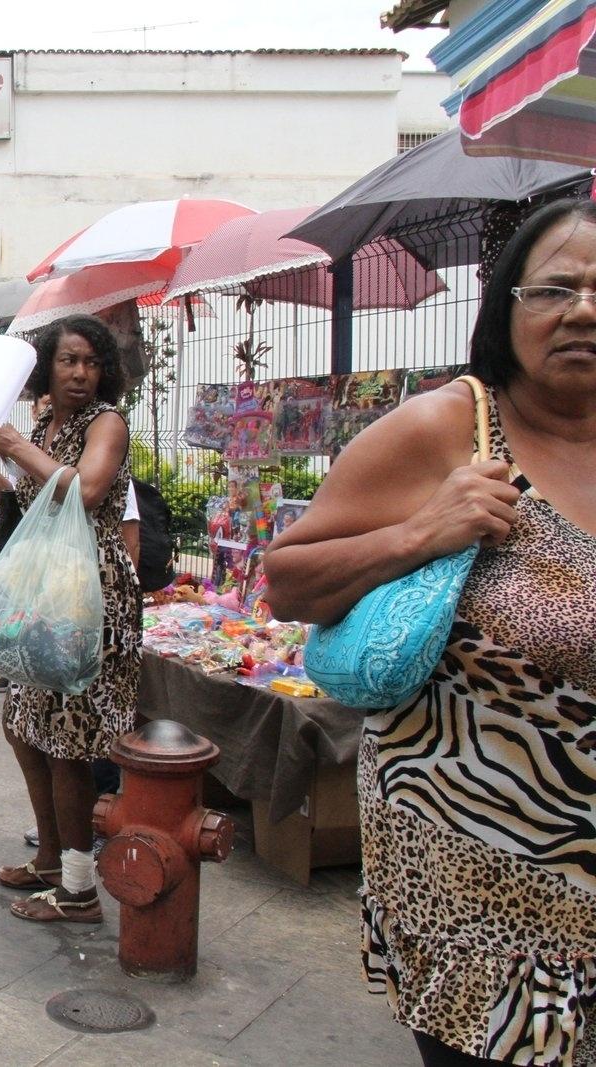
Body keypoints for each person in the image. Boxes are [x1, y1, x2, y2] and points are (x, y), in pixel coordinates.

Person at [266, 198, 596, 1067]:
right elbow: (287, 580)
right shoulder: (451, 426)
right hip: (480, 883)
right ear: (507, 307)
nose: (584, 310)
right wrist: (422, 532)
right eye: (555, 289)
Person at [0, 314, 140, 924]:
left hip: (88, 597)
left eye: (91, 362)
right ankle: (51, 860)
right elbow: (25, 496)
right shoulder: (48, 426)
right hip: (44, 592)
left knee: (67, 742)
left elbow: (89, 490)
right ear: (46, 366)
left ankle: (77, 890)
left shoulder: (106, 423)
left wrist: (16, 448)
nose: (79, 373)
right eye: (68, 361)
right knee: (25, 729)